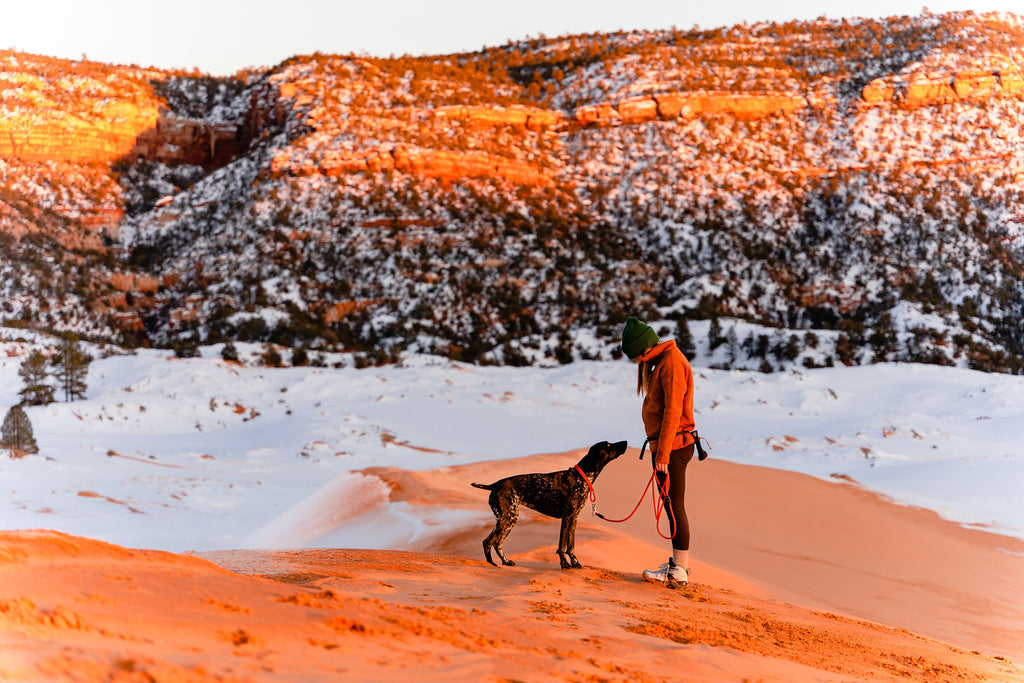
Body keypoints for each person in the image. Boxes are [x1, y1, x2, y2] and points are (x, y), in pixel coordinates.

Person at [621, 316, 696, 586]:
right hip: (668, 445)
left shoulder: (672, 364)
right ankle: (678, 566)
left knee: (675, 506)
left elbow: (673, 412)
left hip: (674, 447)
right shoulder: (662, 362)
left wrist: (662, 455)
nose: (637, 363)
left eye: (636, 357)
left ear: (644, 349)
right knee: (670, 505)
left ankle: (679, 570)